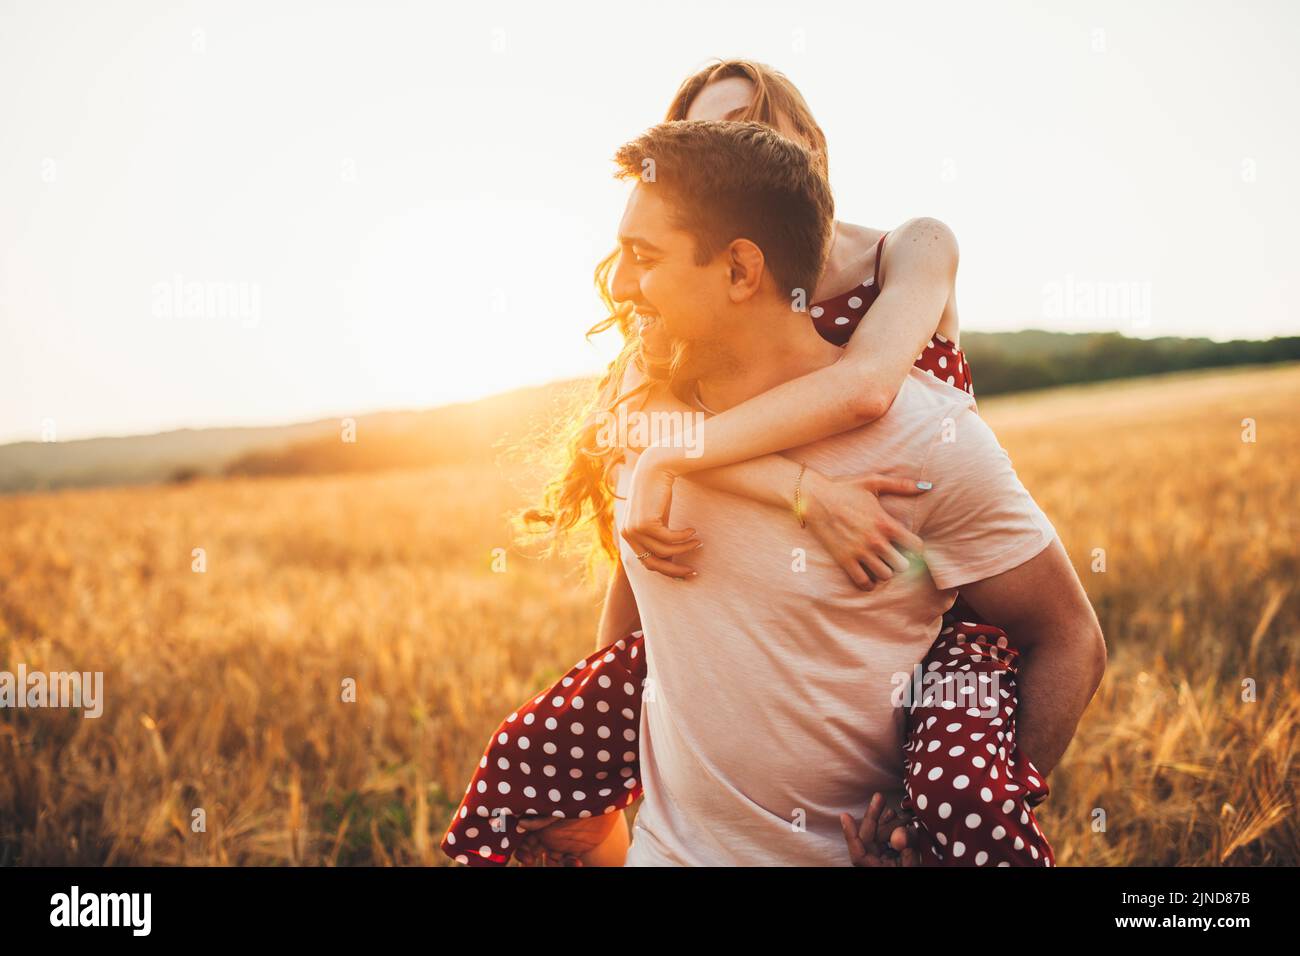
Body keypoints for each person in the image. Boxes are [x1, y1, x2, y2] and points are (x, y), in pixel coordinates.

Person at [440, 119, 1106, 867]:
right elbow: (631, 645)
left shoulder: (928, 441)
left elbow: (1068, 638)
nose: (619, 285)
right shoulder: (642, 423)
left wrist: (952, 833)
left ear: (740, 270)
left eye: (644, 258)